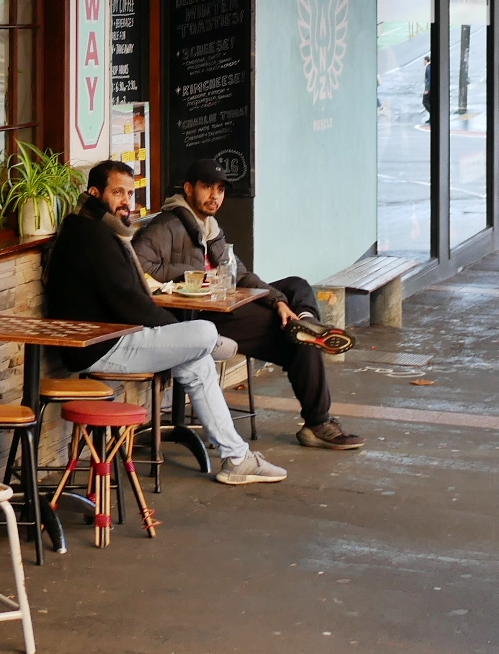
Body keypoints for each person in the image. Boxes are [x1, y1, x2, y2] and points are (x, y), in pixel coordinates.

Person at [42, 159, 290, 485]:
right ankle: (209, 347)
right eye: (118, 192)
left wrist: (177, 335)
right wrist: (178, 331)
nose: (126, 202)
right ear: (94, 192)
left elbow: (132, 301)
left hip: (117, 336)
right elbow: (130, 302)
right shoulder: (90, 236)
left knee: (196, 359)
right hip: (99, 346)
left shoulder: (100, 229)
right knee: (203, 332)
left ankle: (237, 458)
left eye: (130, 194)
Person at [131, 158, 366, 452]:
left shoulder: (211, 228)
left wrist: (278, 301)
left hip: (226, 301)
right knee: (295, 341)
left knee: (295, 285)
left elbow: (240, 274)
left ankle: (304, 321)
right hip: (202, 315)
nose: (215, 196)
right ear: (189, 188)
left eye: (220, 189)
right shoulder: (168, 224)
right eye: (207, 187)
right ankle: (317, 422)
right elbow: (137, 264)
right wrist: (192, 275)